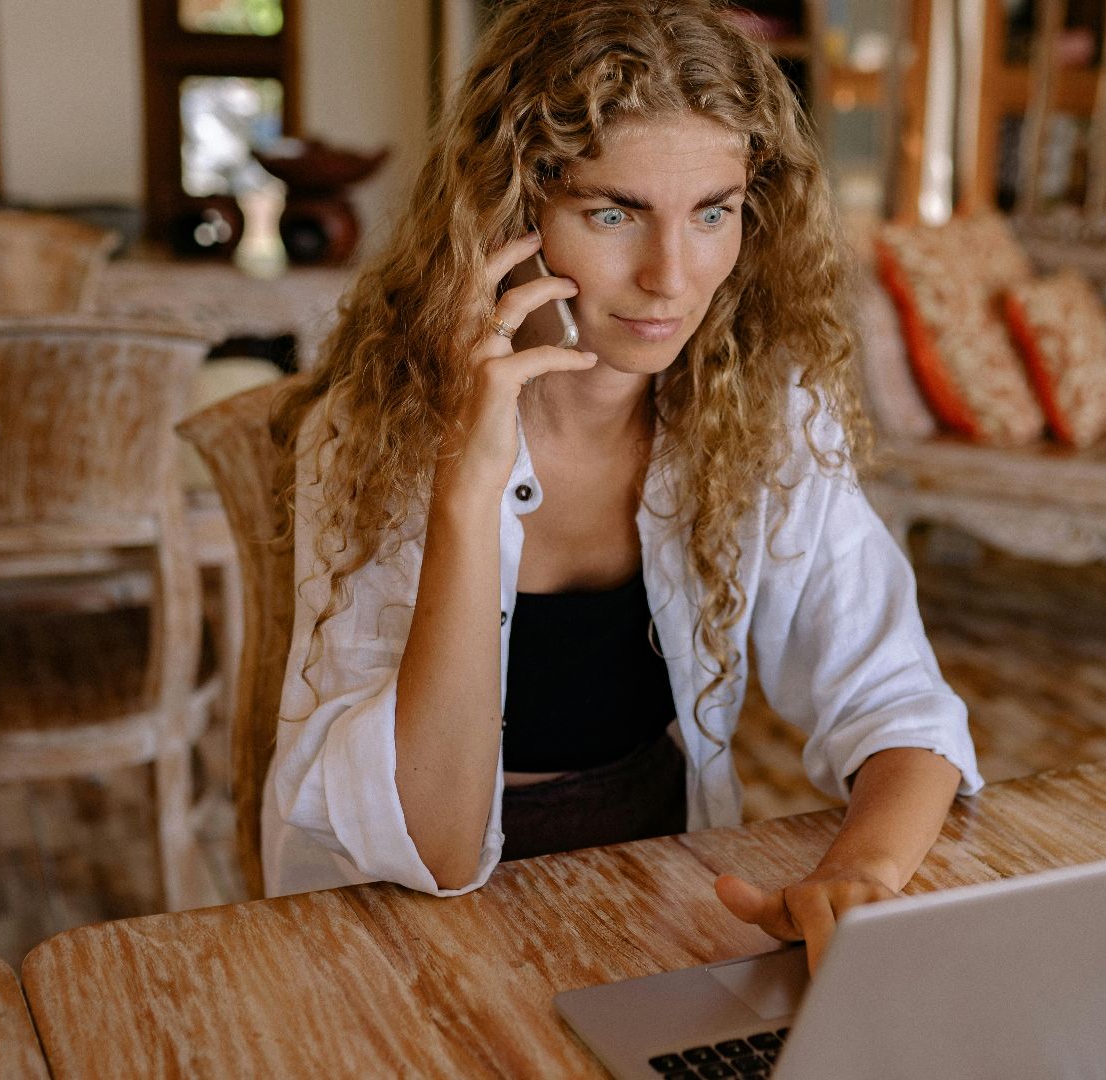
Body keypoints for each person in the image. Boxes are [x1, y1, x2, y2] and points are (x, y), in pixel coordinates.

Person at [265, 0, 982, 970]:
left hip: (657, 889)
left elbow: (897, 699)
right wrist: (468, 488)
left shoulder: (763, 407)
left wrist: (862, 874)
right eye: (613, 213)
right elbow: (434, 849)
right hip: (395, 927)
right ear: (509, 211)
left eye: (714, 212)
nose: (671, 278)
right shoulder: (373, 428)